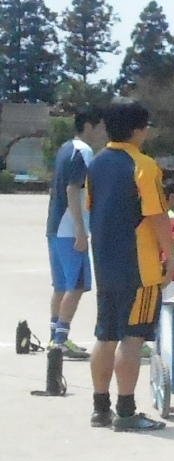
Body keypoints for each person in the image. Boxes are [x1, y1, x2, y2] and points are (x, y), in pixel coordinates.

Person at [86, 98, 174, 432]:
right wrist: (170, 255)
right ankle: (126, 411)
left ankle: (100, 408)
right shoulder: (144, 165)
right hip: (140, 266)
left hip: (105, 262)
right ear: (139, 129)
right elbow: (156, 214)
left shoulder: (96, 164)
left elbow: (93, 207)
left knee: (106, 335)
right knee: (133, 337)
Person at [46, 107, 105, 361]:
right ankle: (61, 340)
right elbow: (73, 189)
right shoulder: (84, 151)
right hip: (70, 229)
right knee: (77, 285)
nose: (102, 133)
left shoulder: (65, 148)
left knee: (61, 285)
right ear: (89, 126)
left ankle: (54, 337)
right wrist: (81, 229)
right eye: (100, 127)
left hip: (54, 227)